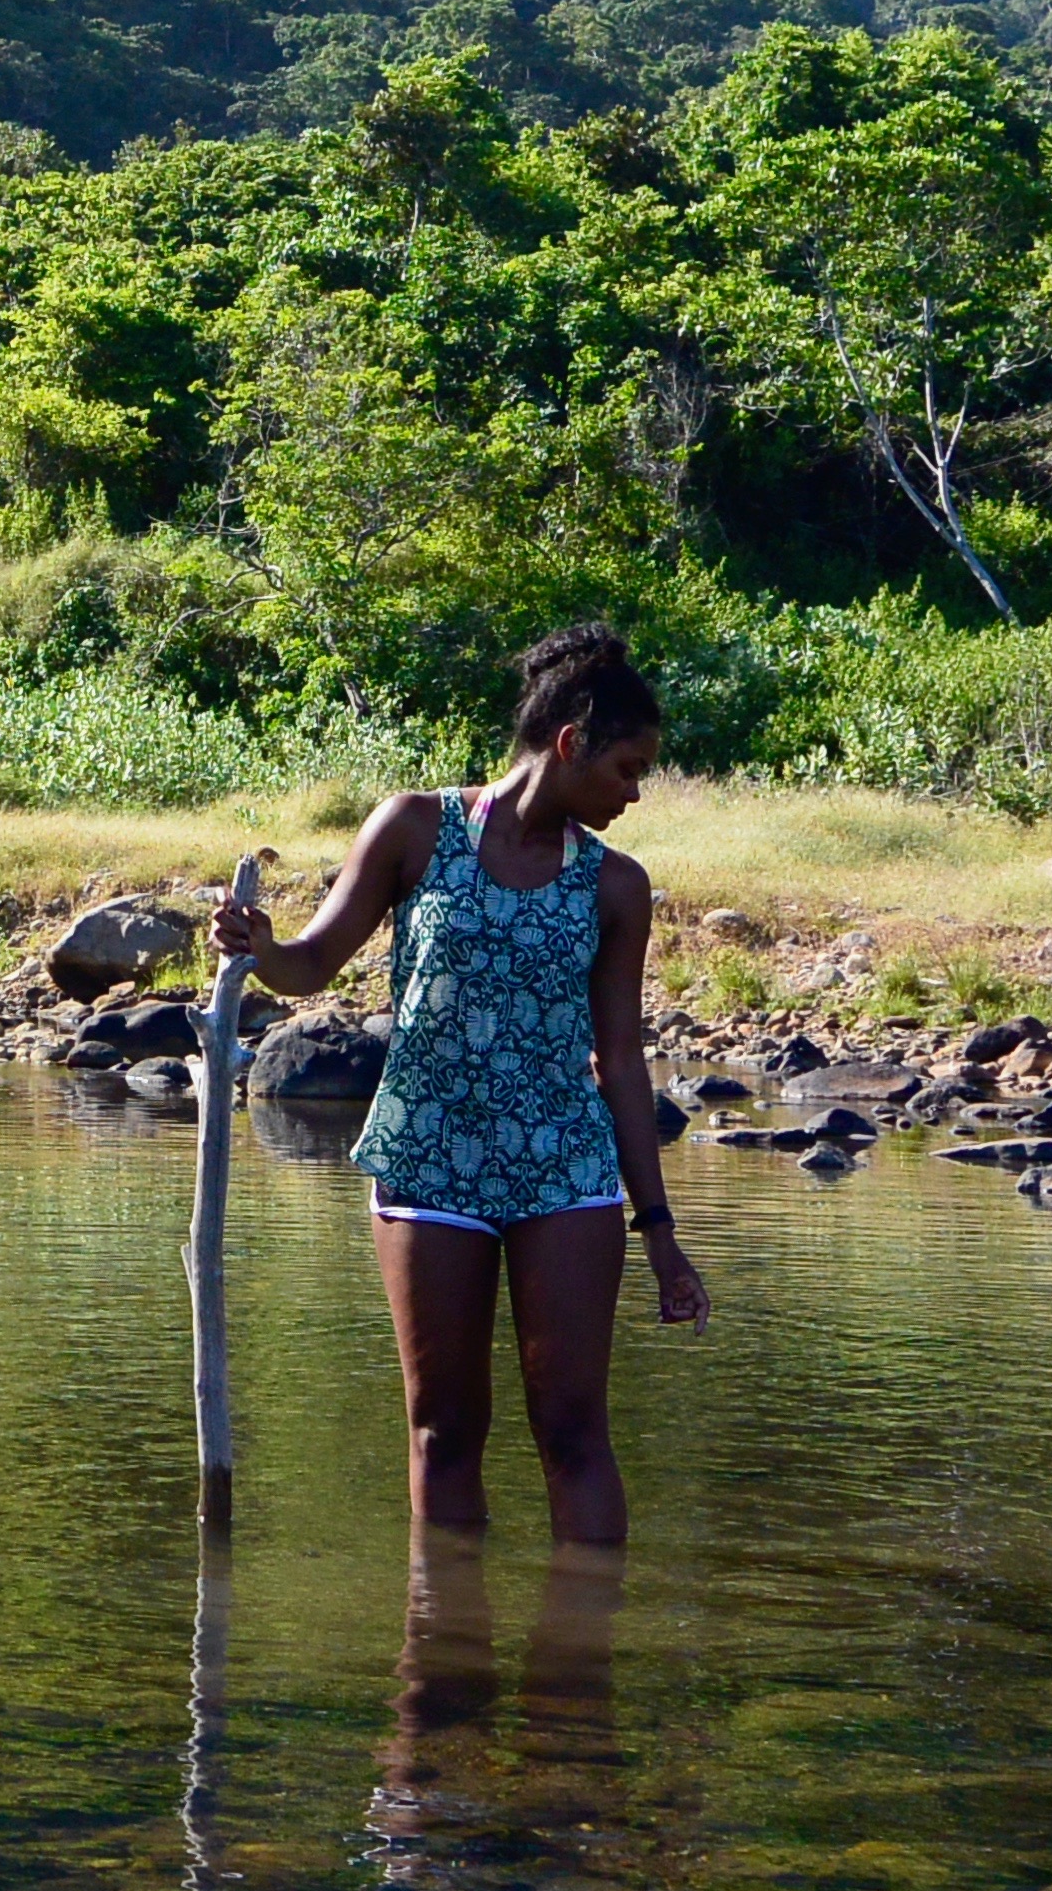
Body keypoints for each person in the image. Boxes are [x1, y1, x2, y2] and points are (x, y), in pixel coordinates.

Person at [209, 623, 705, 1543]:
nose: (635, 793)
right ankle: (446, 1652)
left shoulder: (615, 888)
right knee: (443, 1432)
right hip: (429, 1160)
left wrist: (661, 1233)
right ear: (570, 745)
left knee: (573, 1433)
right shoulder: (414, 829)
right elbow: (312, 963)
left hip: (564, 1169)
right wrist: (260, 947)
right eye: (628, 770)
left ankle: (580, 1670)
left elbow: (622, 1063)